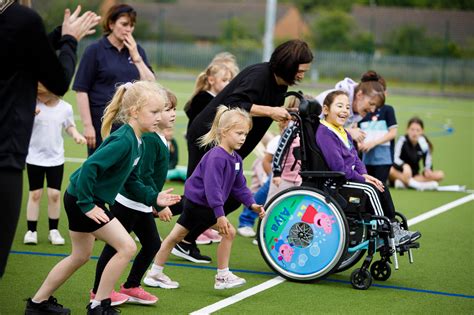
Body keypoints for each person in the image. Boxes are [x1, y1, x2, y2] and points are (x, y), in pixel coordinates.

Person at [25, 81, 181, 315]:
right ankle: (100, 305)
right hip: (83, 199)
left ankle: (37, 304)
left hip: (80, 197)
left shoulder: (137, 141)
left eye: (162, 111)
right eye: (155, 112)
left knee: (79, 256)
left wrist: (153, 197)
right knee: (126, 247)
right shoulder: (124, 140)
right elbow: (90, 168)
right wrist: (87, 205)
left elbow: (131, 179)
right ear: (135, 112)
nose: (160, 117)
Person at [173, 39, 313, 263]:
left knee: (225, 198)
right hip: (210, 138)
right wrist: (271, 111)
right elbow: (234, 103)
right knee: (207, 197)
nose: (303, 75)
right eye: (301, 70)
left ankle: (179, 234)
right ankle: (152, 214)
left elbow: (259, 119)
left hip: (229, 146)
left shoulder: (280, 85)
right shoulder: (259, 75)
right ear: (289, 65)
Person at [0, 1, 100, 279]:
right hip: (4, 157)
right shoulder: (21, 18)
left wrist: (57, 35)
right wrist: (69, 41)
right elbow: (58, 81)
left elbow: (17, 47)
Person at [144, 106, 265, 290]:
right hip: (201, 205)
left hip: (197, 204)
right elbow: (212, 188)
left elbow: (239, 186)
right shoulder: (217, 157)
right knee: (229, 232)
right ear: (224, 132)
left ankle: (154, 273)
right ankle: (223, 276)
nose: (243, 137)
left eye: (245, 134)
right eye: (239, 133)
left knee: (174, 237)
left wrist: (252, 204)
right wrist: (220, 214)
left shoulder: (236, 159)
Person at [89, 88, 179, 307]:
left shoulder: (160, 137)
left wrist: (153, 201)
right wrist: (154, 200)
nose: (171, 114)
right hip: (129, 202)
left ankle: (131, 286)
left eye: (172, 109)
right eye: (166, 110)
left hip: (143, 203)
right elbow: (141, 175)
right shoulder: (149, 140)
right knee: (115, 246)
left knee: (151, 244)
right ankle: (98, 291)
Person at [316, 90, 420, 246]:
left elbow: (356, 159)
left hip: (347, 176)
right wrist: (362, 178)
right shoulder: (325, 133)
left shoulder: (343, 131)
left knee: (380, 185)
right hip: (336, 181)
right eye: (339, 106)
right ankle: (387, 231)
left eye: (347, 107)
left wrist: (365, 174)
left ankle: (394, 226)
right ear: (325, 110)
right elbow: (339, 167)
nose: (345, 110)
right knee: (371, 189)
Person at [73, 3, 155, 156]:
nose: (128, 29)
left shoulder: (137, 51)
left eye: (131, 25)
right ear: (111, 24)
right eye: (124, 24)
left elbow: (151, 84)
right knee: (101, 170)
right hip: (101, 122)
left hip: (130, 123)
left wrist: (136, 57)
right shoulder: (94, 50)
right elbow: (81, 90)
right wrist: (88, 125)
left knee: (126, 171)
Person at [24, 83, 86, 246]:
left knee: (54, 195)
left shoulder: (65, 108)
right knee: (35, 194)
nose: (39, 96)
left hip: (55, 159)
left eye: (41, 92)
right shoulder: (32, 104)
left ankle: (53, 231)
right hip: (34, 158)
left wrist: (76, 135)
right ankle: (31, 231)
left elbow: (69, 126)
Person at [315, 71, 386, 144]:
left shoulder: (358, 110)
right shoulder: (334, 99)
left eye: (376, 106)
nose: (372, 110)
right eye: (371, 104)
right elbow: (316, 128)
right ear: (359, 95)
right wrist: (348, 132)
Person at [358, 71, 398, 184]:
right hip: (365, 158)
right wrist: (360, 144)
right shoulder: (363, 110)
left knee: (379, 187)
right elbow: (356, 130)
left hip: (383, 158)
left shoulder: (388, 110)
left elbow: (393, 133)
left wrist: (373, 143)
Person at [389, 117, 444, 191]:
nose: (414, 133)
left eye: (418, 130)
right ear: (407, 130)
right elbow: (394, 158)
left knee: (440, 175)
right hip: (400, 172)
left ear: (422, 131)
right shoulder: (402, 140)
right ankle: (417, 185)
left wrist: (427, 171)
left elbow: (428, 164)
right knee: (389, 170)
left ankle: (405, 183)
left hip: (414, 176)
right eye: (412, 129)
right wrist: (404, 165)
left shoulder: (424, 144)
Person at [237, 132, 275, 238]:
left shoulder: (272, 162)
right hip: (253, 196)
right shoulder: (260, 162)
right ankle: (245, 223)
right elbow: (263, 181)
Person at [184, 62, 233, 129]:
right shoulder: (201, 99)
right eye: (224, 80)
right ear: (211, 80)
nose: (228, 84)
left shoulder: (219, 98)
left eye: (229, 80)